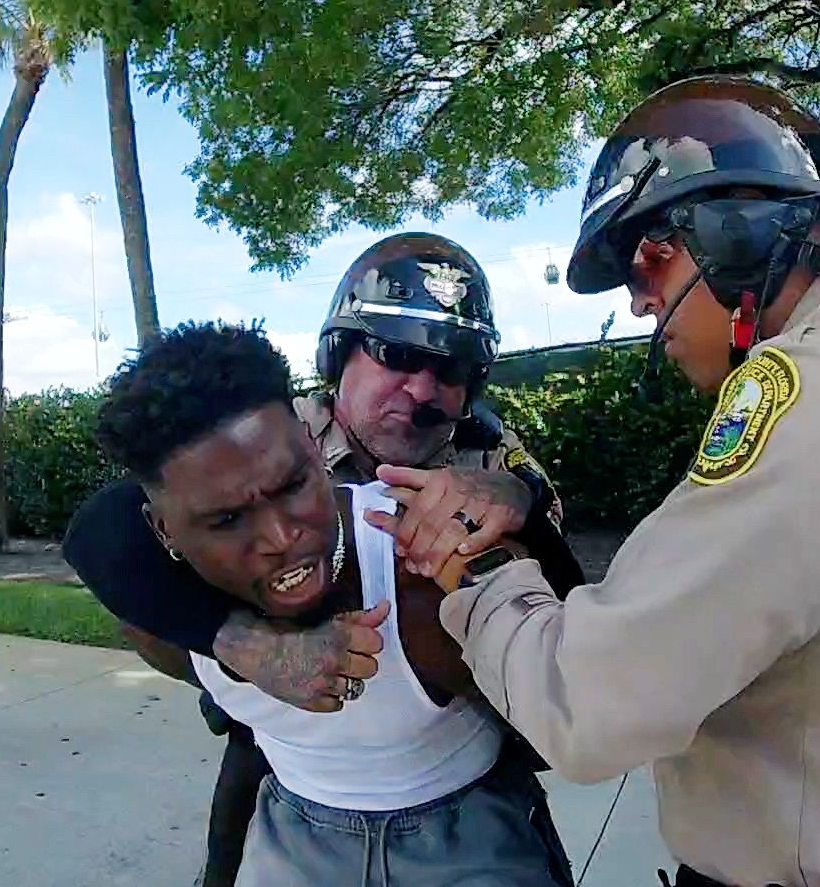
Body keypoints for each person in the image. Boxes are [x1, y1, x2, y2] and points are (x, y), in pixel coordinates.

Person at [402, 78, 820, 887]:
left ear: (732, 236)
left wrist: (471, 564)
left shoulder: (818, 399)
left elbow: (587, 704)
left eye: (647, 267)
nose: (642, 307)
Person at [62, 232, 583, 886]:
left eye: (450, 368)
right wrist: (238, 641)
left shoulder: (493, 458)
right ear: (340, 355)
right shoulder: (269, 422)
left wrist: (516, 500)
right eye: (395, 354)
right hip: (290, 761)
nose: (421, 389)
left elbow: (560, 631)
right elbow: (105, 529)